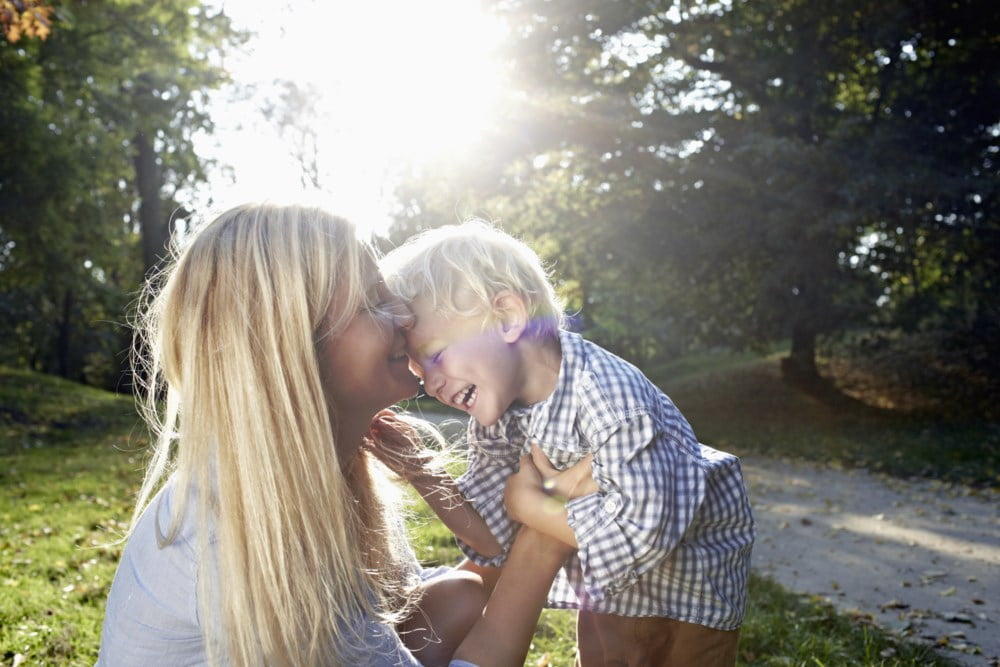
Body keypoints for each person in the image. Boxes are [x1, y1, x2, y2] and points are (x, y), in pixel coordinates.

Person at [96, 203, 574, 667]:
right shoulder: (244, 533)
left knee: (460, 598)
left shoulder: (323, 472)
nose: (406, 316)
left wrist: (476, 522)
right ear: (296, 350)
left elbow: (387, 606)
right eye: (372, 302)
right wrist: (544, 540)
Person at [380, 220, 757, 666]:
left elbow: (645, 534)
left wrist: (533, 510)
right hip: (607, 592)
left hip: (686, 591)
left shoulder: (610, 398)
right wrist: (420, 468)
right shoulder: (498, 416)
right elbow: (490, 538)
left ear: (507, 318)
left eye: (438, 356)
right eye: (423, 376)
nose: (434, 385)